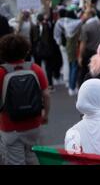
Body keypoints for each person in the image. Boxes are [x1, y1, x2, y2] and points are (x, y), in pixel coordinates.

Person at [0, 34, 50, 165]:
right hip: (34, 123)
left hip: (10, 126)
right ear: (26, 50)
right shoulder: (35, 69)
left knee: (15, 160)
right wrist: (45, 114)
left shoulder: (1, 72)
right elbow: (46, 94)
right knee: (33, 158)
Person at [30, 13, 62, 91]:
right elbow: (51, 38)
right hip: (48, 51)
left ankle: (39, 85)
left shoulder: (33, 28)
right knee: (49, 68)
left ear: (37, 20)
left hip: (37, 51)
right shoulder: (48, 27)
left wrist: (32, 50)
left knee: (38, 68)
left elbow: (32, 40)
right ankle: (50, 84)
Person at [78, 9, 100, 88]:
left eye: (85, 14)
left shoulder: (86, 26)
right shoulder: (99, 24)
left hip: (88, 53)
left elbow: (83, 43)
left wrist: (80, 56)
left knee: (85, 73)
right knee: (97, 73)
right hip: (98, 52)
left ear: (90, 15)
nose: (83, 15)